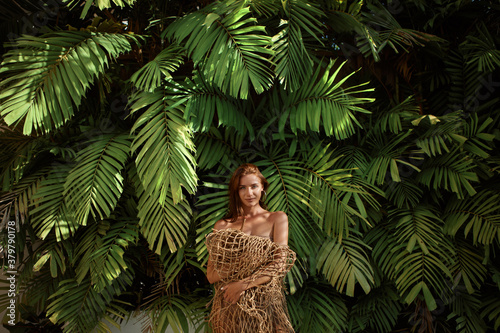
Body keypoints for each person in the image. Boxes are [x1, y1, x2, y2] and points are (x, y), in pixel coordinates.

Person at [205, 163, 296, 333]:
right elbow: (211, 275)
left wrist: (242, 284)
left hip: (266, 306)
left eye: (254, 186)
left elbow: (280, 265)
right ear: (236, 192)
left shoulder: (277, 218)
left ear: (262, 187)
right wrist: (254, 261)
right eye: (242, 188)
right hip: (229, 307)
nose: (249, 193)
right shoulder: (223, 226)